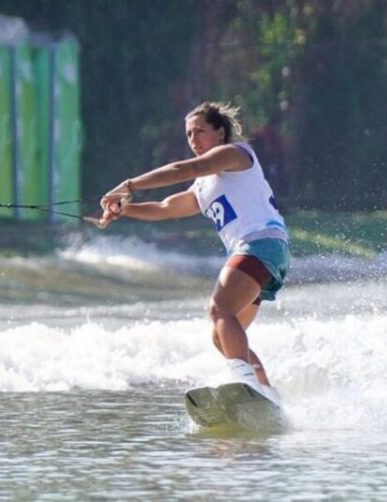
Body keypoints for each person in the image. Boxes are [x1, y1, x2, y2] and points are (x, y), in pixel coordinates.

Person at [99, 101, 290, 403]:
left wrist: (129, 185)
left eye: (200, 131)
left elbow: (186, 168)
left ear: (221, 131)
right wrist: (125, 209)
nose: (193, 140)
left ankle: (247, 385)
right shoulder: (204, 186)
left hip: (260, 243)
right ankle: (268, 394)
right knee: (222, 334)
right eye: (188, 134)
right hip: (265, 252)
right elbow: (166, 208)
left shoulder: (236, 154)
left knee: (218, 310)